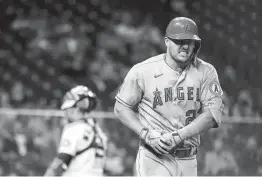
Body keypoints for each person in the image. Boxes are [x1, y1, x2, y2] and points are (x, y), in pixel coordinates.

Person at [114, 17, 224, 176]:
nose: (185, 46)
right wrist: (145, 133)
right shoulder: (143, 71)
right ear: (167, 41)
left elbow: (213, 115)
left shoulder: (206, 71)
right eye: (179, 41)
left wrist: (180, 135)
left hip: (189, 159)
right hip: (154, 157)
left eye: (190, 42)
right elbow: (121, 107)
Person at [44, 85, 108, 176]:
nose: (65, 113)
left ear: (74, 109)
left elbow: (61, 160)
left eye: (66, 110)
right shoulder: (98, 131)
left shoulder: (75, 128)